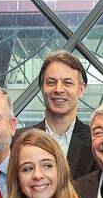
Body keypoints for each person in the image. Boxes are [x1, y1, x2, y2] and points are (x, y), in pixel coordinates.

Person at [35, 51, 96, 179]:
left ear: (81, 89)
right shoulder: (19, 140)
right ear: (42, 87)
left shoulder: (96, 142)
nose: (58, 89)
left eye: (67, 83)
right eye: (51, 82)